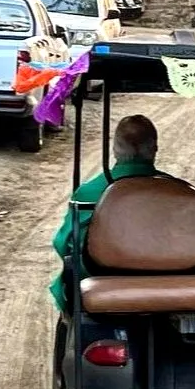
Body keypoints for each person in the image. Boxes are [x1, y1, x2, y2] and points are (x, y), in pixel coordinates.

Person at [50, 114, 166, 311]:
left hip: (101, 278)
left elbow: (64, 243)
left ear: (114, 150)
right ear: (154, 149)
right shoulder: (174, 190)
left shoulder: (89, 192)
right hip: (166, 278)